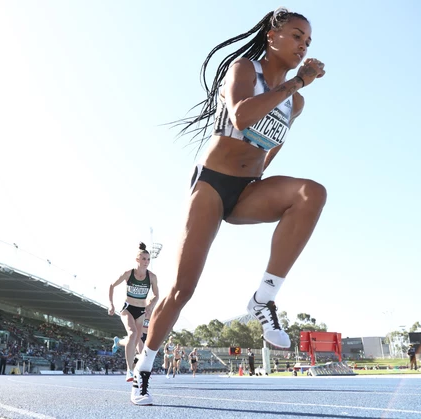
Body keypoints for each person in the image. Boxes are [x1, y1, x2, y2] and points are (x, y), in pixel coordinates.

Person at [131, 7, 326, 405]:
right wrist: (296, 83)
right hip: (212, 185)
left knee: (312, 193)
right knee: (182, 290)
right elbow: (242, 115)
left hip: (247, 188)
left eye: (308, 41)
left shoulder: (297, 103)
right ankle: (143, 369)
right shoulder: (243, 70)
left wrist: (259, 185)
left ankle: (264, 297)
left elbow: (271, 147)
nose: (303, 46)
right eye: (296, 36)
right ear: (272, 36)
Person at [108, 242, 159, 382]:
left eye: (148, 259)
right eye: (143, 259)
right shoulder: (128, 274)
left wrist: (151, 305)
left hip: (141, 310)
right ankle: (129, 370)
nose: (146, 262)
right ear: (137, 259)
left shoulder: (152, 277)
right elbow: (112, 285)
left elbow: (156, 295)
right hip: (127, 308)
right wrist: (111, 304)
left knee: (136, 339)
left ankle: (119, 343)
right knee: (133, 333)